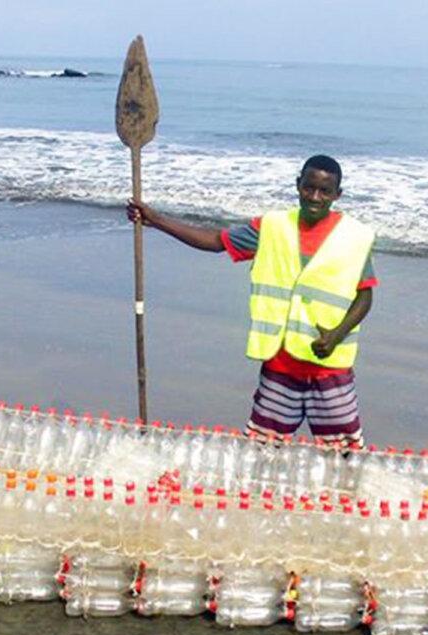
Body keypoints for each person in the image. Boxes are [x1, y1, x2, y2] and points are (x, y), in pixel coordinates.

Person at [126, 155, 378, 448]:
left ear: (337, 195)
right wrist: (157, 220)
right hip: (280, 367)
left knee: (344, 452)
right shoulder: (271, 228)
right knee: (261, 450)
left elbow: (365, 294)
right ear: (298, 185)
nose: (315, 197)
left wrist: (336, 335)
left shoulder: (354, 237)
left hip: (329, 371)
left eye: (325, 191)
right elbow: (216, 241)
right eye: (309, 188)